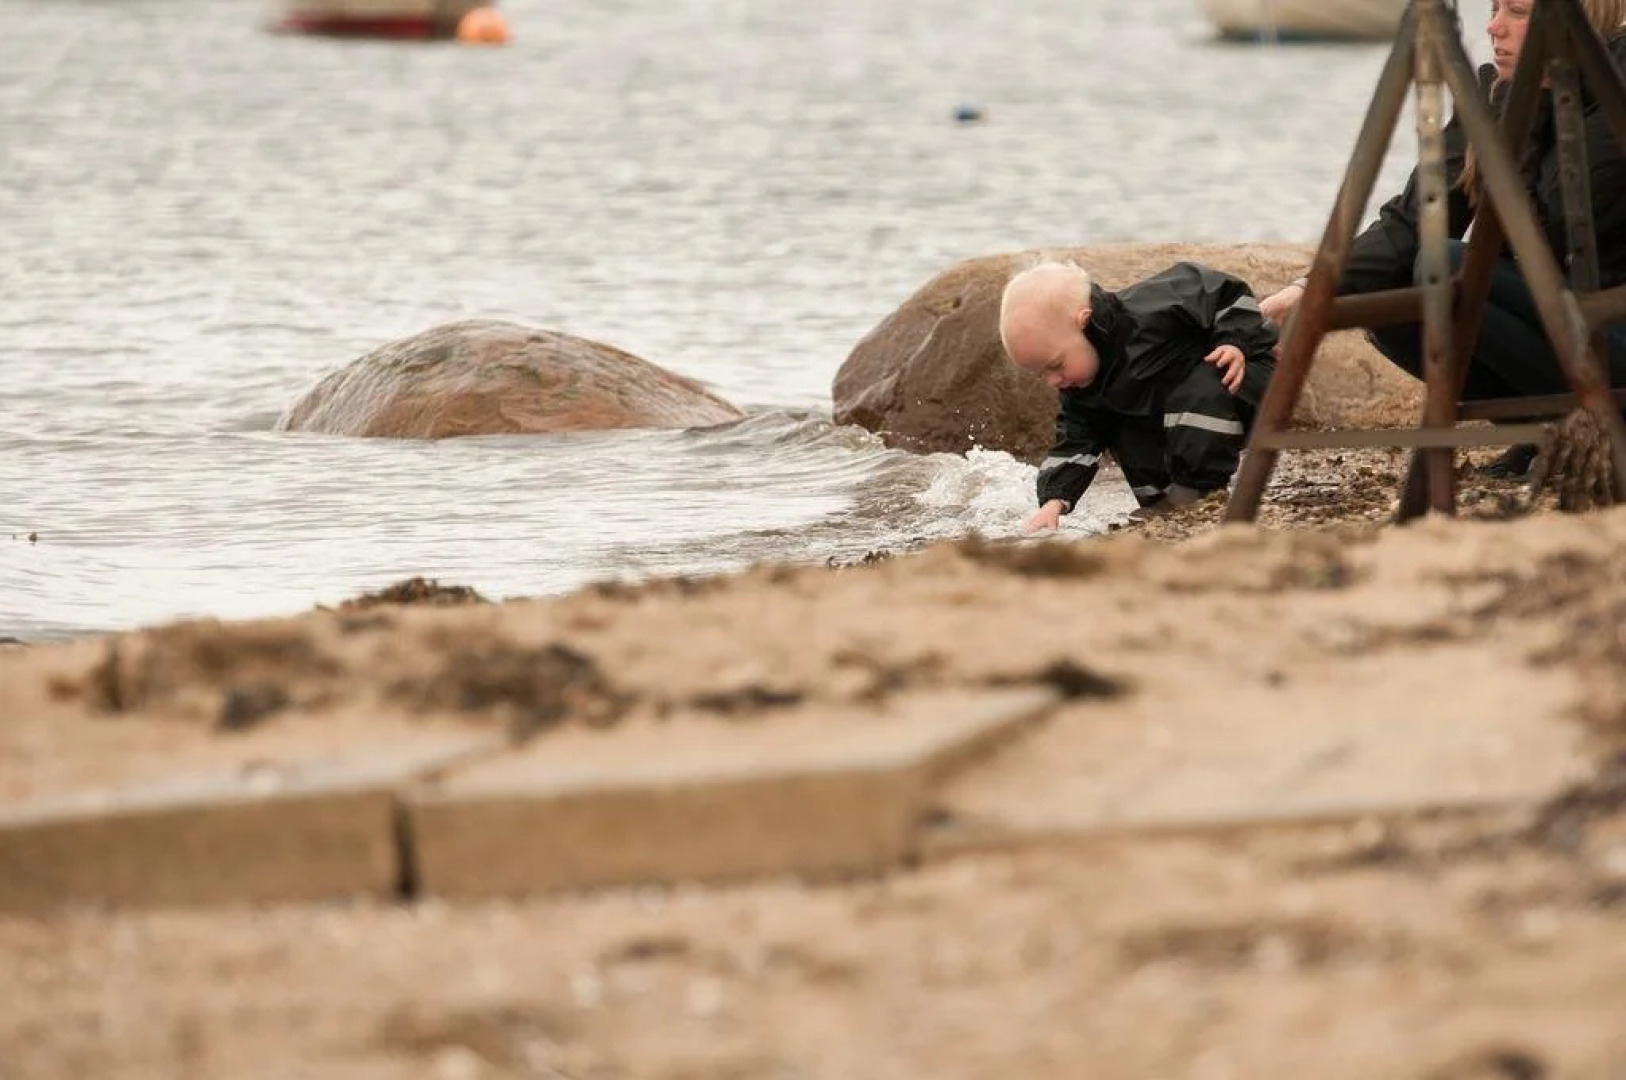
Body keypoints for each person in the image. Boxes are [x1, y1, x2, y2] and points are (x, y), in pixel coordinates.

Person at [1257, 0, 1626, 478]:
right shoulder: (1500, 91)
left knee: (1451, 262)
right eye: (1493, 8)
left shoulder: (1615, 84)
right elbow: (1415, 219)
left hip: (1613, 318)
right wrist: (1309, 290)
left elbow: (1556, 219)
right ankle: (1550, 426)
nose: (1493, 28)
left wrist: (1530, 106)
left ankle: (1598, 423)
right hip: (1563, 321)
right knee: (1399, 299)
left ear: (1578, 15)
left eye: (1515, 11)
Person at [1001, 260, 1278, 532]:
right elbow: (1075, 441)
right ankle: (1164, 501)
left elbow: (1225, 291)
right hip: (1182, 412)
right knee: (1122, 427)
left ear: (1084, 324)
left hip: (1242, 379)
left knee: (1200, 386)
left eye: (1056, 365)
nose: (1053, 381)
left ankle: (1203, 493)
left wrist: (1233, 340)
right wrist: (1053, 503)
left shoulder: (1152, 309)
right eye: (1041, 374)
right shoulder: (1082, 389)